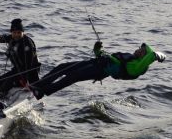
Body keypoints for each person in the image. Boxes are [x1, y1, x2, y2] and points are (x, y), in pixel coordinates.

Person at [30, 40, 165, 100]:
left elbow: (149, 59)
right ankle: (39, 85)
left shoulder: (136, 67)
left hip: (100, 71)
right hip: (96, 63)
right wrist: (97, 49)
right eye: (140, 48)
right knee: (62, 67)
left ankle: (43, 91)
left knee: (73, 76)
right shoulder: (129, 57)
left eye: (142, 51)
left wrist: (155, 56)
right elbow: (104, 56)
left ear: (144, 57)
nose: (138, 50)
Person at [0, 18, 41, 96]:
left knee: (4, 86)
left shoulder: (27, 44)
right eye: (14, 32)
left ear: (23, 32)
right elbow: (6, 37)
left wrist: (26, 81)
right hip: (17, 71)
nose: (16, 35)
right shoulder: (12, 38)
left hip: (28, 74)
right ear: (11, 32)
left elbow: (28, 66)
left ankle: (1, 100)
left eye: (19, 32)